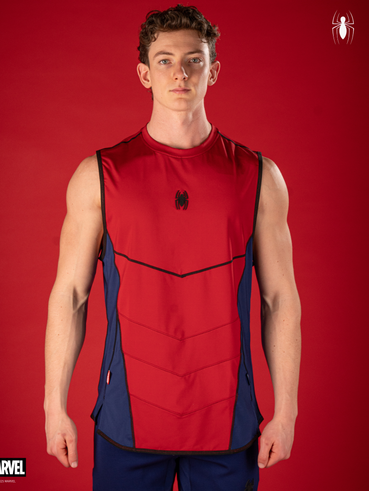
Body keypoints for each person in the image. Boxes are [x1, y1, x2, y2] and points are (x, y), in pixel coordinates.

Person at [44, 4, 301, 490]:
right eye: (164, 60)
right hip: (126, 425)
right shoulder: (99, 176)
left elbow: (279, 299)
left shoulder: (259, 177)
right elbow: (70, 296)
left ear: (213, 70)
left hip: (228, 427)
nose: (179, 73)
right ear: (144, 73)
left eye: (193, 60)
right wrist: (53, 407)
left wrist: (286, 412)